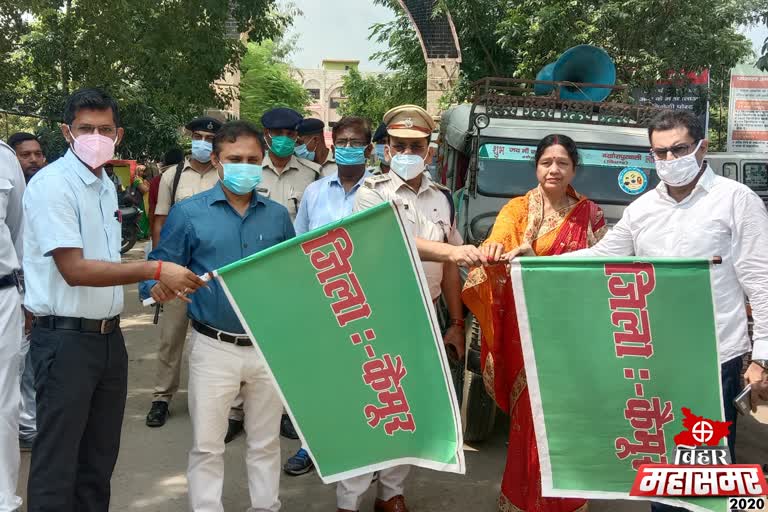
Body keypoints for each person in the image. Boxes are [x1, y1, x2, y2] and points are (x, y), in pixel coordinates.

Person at [507, 111, 768, 512]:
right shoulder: (643, 208)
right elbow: (600, 257)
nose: (669, 159)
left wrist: (762, 357)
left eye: (678, 149)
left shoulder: (736, 200)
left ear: (702, 148)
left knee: (702, 476)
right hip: (653, 360)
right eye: (660, 152)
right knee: (662, 473)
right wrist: (536, 261)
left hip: (712, 361)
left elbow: (760, 281)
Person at [22, 87, 204, 512]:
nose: (95, 136)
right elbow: (76, 269)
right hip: (64, 342)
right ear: (68, 132)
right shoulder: (54, 185)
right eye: (85, 128)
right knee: (57, 464)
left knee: (99, 460)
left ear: (118, 135)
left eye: (104, 129)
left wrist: (154, 282)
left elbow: (104, 263)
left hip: (107, 340)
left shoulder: (105, 184)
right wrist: (155, 269)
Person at [140, 120, 295, 512]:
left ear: (262, 162)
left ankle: (266, 506)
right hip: (214, 346)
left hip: (267, 346)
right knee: (207, 446)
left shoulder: (277, 217)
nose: (244, 166)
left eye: (252, 160)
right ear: (217, 160)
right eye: (235, 159)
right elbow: (160, 264)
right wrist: (154, 285)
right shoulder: (189, 214)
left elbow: (289, 274)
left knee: (264, 443)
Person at [462, 134, 606, 512]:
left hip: (573, 334)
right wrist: (494, 251)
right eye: (546, 162)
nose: (553, 169)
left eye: (562, 162)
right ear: (536, 167)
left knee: (568, 416)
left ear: (574, 168)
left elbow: (604, 268)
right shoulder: (518, 210)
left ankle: (567, 500)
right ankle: (523, 499)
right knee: (530, 415)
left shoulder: (591, 215)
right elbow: (498, 243)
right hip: (527, 331)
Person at [339, 105, 466, 512]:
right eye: (399, 145)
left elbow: (447, 269)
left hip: (426, 315)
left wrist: (456, 322)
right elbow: (394, 241)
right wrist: (454, 249)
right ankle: (349, 497)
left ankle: (391, 492)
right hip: (378, 315)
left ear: (429, 151)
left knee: (410, 407)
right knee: (370, 407)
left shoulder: (443, 199)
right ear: (386, 149)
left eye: (416, 145)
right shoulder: (371, 193)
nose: (407, 152)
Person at [284, 116, 374, 477]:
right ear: (333, 146)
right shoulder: (316, 191)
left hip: (368, 301)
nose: (349, 148)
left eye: (357, 143)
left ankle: (364, 445)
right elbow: (297, 243)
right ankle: (312, 446)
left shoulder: (381, 191)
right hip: (322, 300)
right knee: (319, 376)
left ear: (369, 148)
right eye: (343, 143)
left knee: (365, 375)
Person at [146, 116, 222, 428]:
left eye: (210, 138)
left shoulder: (224, 175)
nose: (203, 142)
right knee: (171, 337)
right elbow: (159, 221)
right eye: (199, 136)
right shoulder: (172, 177)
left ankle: (222, 403)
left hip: (214, 272)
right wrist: (159, 269)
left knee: (219, 337)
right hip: (178, 271)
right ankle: (162, 397)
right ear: (189, 137)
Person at [7, 135, 41, 452]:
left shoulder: (46, 191)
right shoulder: (12, 198)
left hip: (35, 292)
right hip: (13, 290)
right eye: (25, 155)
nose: (33, 160)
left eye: (37, 154)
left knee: (28, 363)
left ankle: (28, 426)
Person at [0, 139, 25, 512]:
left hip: (2, 296)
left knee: (3, 399)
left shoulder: (4, 158)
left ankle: (4, 496)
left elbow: (19, 227)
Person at [260, 107, 320, 221]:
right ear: (266, 134)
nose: (284, 138)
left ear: (296, 136)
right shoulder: (252, 170)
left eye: (290, 134)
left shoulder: (312, 173)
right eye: (278, 133)